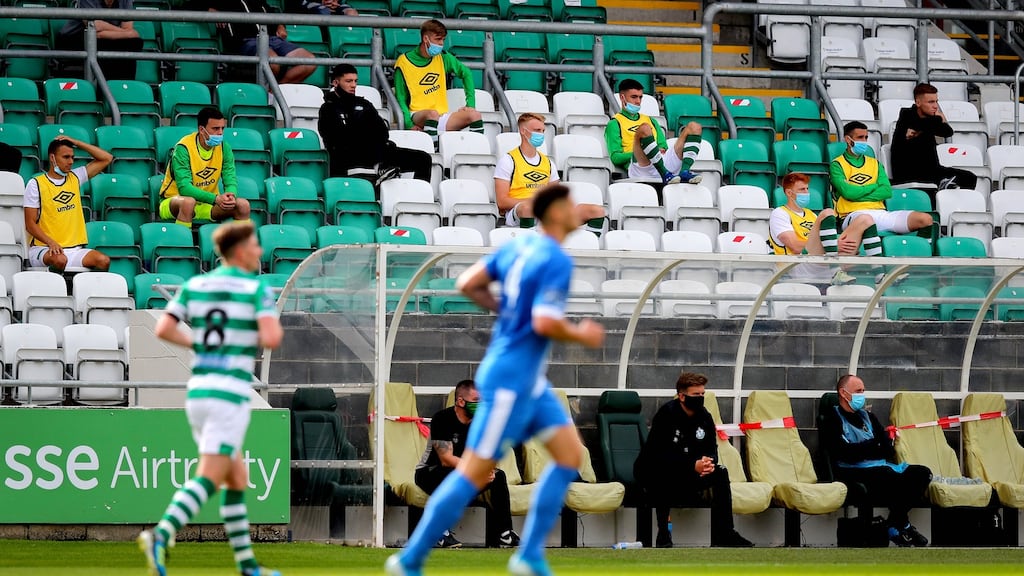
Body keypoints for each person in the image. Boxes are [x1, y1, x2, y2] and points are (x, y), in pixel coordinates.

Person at [386, 183, 605, 576]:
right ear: (554, 213)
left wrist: (507, 310)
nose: (577, 211)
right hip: (509, 378)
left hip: (529, 379)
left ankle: (530, 555)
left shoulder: (516, 248)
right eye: (570, 205)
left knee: (570, 456)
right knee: (472, 472)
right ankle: (411, 556)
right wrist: (579, 333)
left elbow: (467, 284)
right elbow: (542, 319)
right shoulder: (555, 259)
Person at [138, 221, 283, 576]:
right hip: (229, 393)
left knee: (236, 478)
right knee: (209, 476)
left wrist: (200, 343)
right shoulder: (254, 288)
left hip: (200, 389)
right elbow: (272, 337)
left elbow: (164, 327)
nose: (259, 252)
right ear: (238, 251)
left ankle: (247, 564)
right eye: (254, 246)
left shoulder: (195, 284)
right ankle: (161, 533)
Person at [633, 372, 753, 549]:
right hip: (654, 472)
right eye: (696, 395)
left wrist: (707, 463)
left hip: (689, 474)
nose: (701, 398)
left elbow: (712, 449)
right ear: (682, 396)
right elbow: (660, 455)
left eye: (703, 394)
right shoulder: (667, 415)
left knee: (720, 473)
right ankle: (663, 533)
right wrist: (691, 465)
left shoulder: (704, 417)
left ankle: (725, 532)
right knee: (662, 473)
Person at [819, 374, 932, 547]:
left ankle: (895, 523)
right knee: (889, 476)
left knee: (922, 473)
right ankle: (903, 526)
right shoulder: (832, 420)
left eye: (863, 391)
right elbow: (845, 453)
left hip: (880, 466)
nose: (862, 395)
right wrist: (874, 444)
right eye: (858, 391)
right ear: (843, 393)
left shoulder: (868, 417)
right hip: (852, 470)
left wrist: (869, 447)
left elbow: (887, 449)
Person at [414, 380, 520, 549]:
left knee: (498, 476)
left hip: (464, 472)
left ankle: (505, 534)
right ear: (461, 401)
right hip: (430, 472)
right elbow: (446, 459)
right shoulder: (442, 418)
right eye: (476, 400)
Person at [829, 121, 933, 257]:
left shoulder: (875, 164)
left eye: (866, 137)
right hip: (852, 215)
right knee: (867, 220)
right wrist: (873, 186)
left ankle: (920, 261)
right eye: (860, 137)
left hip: (880, 213)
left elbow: (886, 191)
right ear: (848, 140)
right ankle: (879, 274)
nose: (864, 141)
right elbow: (848, 193)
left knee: (925, 219)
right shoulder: (837, 164)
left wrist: (858, 193)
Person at [319, 63, 432, 182]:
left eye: (355, 81)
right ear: (336, 83)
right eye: (348, 81)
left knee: (423, 159)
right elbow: (335, 139)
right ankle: (381, 169)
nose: (353, 85)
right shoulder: (328, 108)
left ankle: (417, 196)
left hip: (377, 151)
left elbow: (382, 130)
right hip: (348, 156)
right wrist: (363, 130)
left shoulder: (364, 104)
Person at [495, 112, 605, 229]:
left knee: (596, 211)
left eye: (543, 131)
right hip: (519, 211)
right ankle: (531, 244)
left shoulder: (547, 162)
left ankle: (585, 246)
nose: (541, 134)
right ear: (523, 131)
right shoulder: (508, 160)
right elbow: (502, 202)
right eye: (537, 130)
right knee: (529, 208)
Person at [24, 136, 111, 273]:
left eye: (72, 157)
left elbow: (107, 158)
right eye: (66, 157)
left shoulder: (75, 177)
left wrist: (76, 142)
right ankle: (56, 290)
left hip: (74, 249)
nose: (71, 161)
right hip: (44, 248)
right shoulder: (36, 184)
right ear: (52, 158)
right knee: (60, 260)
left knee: (103, 260)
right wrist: (50, 242)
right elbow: (30, 224)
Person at [394, 19, 484, 146]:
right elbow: (400, 97)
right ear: (426, 39)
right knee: (432, 113)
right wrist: (409, 124)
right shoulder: (403, 62)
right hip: (417, 114)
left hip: (441, 115)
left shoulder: (443, 57)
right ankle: (434, 155)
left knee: (475, 115)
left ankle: (477, 153)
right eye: (438, 39)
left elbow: (466, 73)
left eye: (443, 40)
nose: (441, 44)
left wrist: (470, 104)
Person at [159, 107, 250, 228]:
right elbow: (184, 189)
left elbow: (230, 177)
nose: (220, 133)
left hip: (207, 204)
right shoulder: (183, 148)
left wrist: (231, 194)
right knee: (188, 202)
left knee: (243, 205)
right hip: (174, 201)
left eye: (222, 128)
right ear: (202, 130)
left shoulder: (224, 147)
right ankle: (182, 245)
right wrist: (216, 199)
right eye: (215, 128)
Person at [605, 78, 703, 186]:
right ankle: (664, 174)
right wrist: (643, 153)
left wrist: (657, 150)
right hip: (640, 165)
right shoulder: (615, 123)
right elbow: (615, 157)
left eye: (640, 97)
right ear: (622, 97)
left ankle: (684, 172)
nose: (638, 101)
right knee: (644, 129)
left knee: (694, 127)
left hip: (660, 160)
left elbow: (663, 146)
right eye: (633, 97)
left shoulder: (651, 120)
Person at [768, 172, 855, 285]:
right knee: (828, 213)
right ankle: (836, 271)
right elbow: (794, 246)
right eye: (802, 189)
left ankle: (879, 274)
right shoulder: (779, 213)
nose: (807, 193)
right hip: (794, 266)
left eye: (807, 189)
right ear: (789, 193)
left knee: (864, 220)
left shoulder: (812, 215)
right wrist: (834, 245)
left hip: (816, 262)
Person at [890, 83, 977, 194]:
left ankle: (956, 205)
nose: (935, 106)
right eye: (931, 102)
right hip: (908, 172)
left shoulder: (930, 119)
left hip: (932, 170)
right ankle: (943, 185)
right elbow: (920, 124)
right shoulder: (906, 115)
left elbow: (947, 132)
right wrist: (939, 119)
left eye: (936, 101)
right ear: (918, 102)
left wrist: (938, 121)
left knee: (969, 177)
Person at [209, 0, 317, 84]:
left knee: (310, 61)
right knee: (272, 62)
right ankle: (268, 94)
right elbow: (194, 5)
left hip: (271, 38)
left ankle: (275, 91)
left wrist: (280, 25)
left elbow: (271, 13)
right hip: (245, 41)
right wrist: (212, 11)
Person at [57, 0, 142, 80]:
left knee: (134, 43)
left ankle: (124, 87)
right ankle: (106, 87)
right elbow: (94, 25)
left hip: (103, 38)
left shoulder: (125, 1)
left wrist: (102, 34)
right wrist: (127, 33)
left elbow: (128, 29)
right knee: (121, 44)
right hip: (74, 39)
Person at [287, 0, 357, 15]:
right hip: (310, 5)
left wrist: (334, 1)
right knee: (324, 11)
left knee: (352, 13)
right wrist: (322, 2)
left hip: (336, 6)